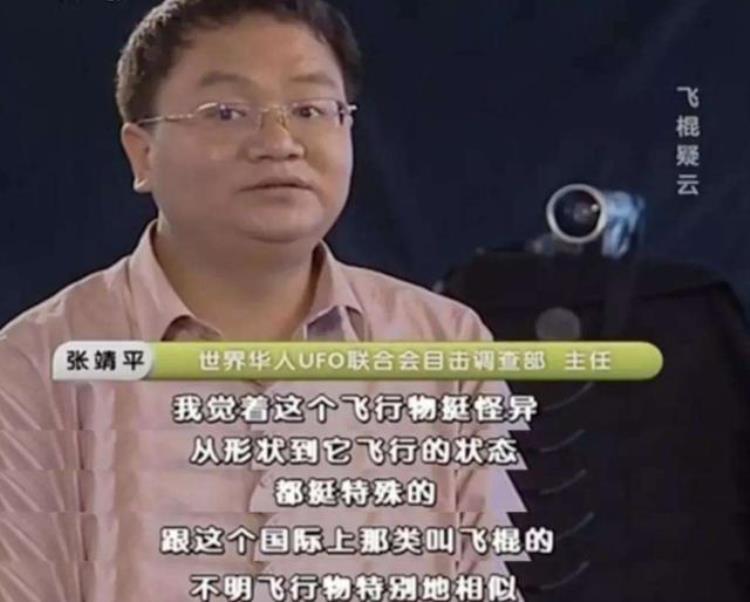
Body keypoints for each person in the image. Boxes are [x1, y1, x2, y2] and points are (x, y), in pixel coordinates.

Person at [0, 1, 527, 600]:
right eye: (226, 112)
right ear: (142, 154)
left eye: (310, 109)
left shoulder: (446, 346)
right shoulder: (34, 365)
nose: (279, 142)